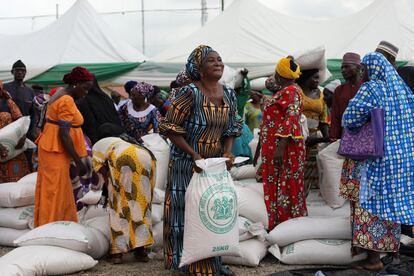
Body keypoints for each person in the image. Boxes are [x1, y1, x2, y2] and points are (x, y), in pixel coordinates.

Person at [160, 45, 242, 276]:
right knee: (184, 212)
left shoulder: (229, 94)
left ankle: (213, 263)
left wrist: (227, 152)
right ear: (199, 68)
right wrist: (193, 154)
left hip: (213, 165)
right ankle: (184, 264)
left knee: (212, 213)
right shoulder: (188, 93)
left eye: (220, 59)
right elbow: (169, 127)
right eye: (211, 61)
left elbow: (232, 127)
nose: (218, 63)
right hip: (186, 163)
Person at [341, 52, 414, 270]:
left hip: (376, 158)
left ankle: (373, 260)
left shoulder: (372, 88)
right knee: (394, 205)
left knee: (371, 205)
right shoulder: (404, 91)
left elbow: (350, 118)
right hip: (401, 159)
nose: (362, 72)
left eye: (364, 68)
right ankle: (395, 253)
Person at [34, 67, 93, 227]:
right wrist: (78, 161)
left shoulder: (61, 94)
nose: (86, 93)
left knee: (57, 190)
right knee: (53, 191)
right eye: (85, 88)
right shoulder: (66, 100)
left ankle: (58, 225)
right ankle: (48, 228)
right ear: (75, 84)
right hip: (55, 150)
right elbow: (64, 135)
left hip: (53, 149)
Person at [92, 129, 156, 264]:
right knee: (141, 203)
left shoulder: (97, 146)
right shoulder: (124, 141)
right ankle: (141, 251)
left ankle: (117, 253)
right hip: (147, 156)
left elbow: (105, 174)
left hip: (124, 158)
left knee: (119, 206)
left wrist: (111, 190)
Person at [258, 57, 307, 230]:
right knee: (280, 183)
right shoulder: (287, 91)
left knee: (285, 184)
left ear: (278, 74)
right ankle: (281, 224)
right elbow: (278, 110)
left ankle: (287, 226)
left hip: (285, 148)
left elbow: (291, 119)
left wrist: (280, 148)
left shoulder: (291, 91)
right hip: (278, 146)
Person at [296, 68, 329, 190]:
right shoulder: (296, 91)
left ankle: (302, 201)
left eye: (318, 77)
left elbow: (323, 119)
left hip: (313, 140)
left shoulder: (320, 95)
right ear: (305, 78)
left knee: (307, 175)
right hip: (297, 137)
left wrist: (326, 137)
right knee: (295, 172)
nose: (317, 80)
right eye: (314, 77)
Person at [76, 75, 123, 144]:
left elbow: (89, 127)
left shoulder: (82, 102)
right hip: (115, 139)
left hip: (97, 143)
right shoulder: (106, 98)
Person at [0, 82, 29, 183]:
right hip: (2, 150)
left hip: (14, 148)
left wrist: (23, 137)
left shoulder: (8, 103)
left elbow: (21, 122)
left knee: (18, 183)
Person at [329, 53, 362, 139]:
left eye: (347, 67)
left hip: (365, 137)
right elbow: (335, 117)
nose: (343, 70)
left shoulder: (367, 87)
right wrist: (334, 137)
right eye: (342, 67)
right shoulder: (339, 90)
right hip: (344, 138)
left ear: (358, 68)